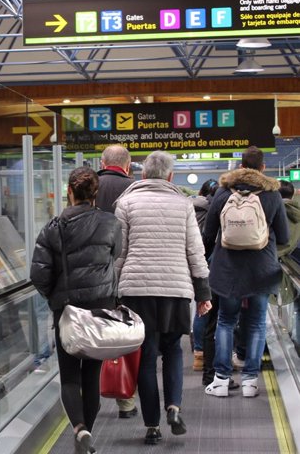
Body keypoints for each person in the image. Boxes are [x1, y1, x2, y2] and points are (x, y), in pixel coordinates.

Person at [114, 150, 211, 445]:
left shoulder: (125, 203)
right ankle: (174, 408)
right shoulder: (183, 205)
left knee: (145, 357)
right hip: (175, 290)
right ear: (170, 176)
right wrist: (203, 292)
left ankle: (152, 426)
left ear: (143, 175)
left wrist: (114, 292)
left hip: (136, 292)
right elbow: (196, 251)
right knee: (172, 351)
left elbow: (119, 253)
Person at [30, 166, 122, 454]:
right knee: (91, 375)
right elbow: (115, 255)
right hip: (100, 310)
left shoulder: (54, 227)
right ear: (95, 194)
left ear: (68, 192)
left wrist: (54, 297)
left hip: (68, 310)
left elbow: (39, 274)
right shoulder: (111, 223)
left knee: (69, 376)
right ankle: (87, 435)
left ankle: (79, 428)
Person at [204, 146, 289, 398]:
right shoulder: (272, 195)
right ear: (263, 168)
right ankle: (250, 381)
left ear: (241, 166)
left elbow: (209, 233)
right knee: (255, 323)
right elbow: (284, 235)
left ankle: (221, 379)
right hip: (261, 269)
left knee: (226, 321)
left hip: (227, 269)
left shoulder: (222, 192)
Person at [94, 144, 138, 418]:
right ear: (128, 165)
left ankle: (92, 397)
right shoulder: (135, 188)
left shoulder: (90, 184)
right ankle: (126, 400)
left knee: (94, 331)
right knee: (125, 334)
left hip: (91, 272)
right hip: (125, 270)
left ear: (102, 161)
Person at [190, 179, 219, 372]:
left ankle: (198, 353)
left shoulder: (191, 206)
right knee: (213, 309)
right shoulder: (216, 207)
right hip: (213, 260)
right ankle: (212, 353)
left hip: (195, 258)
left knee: (200, 307)